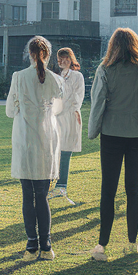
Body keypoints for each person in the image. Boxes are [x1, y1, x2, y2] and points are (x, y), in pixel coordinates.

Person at [86, 27, 138, 261]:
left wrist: (93, 131)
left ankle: (101, 245)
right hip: (137, 134)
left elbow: (97, 103)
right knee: (133, 189)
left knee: (108, 190)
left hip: (111, 133)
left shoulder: (105, 69)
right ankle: (132, 242)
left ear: (113, 45)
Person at [6, 36, 64, 260]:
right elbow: (57, 110)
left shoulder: (19, 77)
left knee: (27, 195)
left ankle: (32, 245)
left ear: (29, 54)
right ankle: (46, 245)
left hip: (25, 138)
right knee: (43, 195)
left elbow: (10, 111)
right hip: (47, 139)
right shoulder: (56, 79)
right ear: (48, 55)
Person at [49, 47, 85, 202]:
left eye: (65, 58)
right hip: (56, 116)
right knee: (54, 151)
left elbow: (77, 96)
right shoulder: (55, 76)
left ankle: (61, 186)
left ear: (71, 59)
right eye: (60, 59)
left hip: (70, 116)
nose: (62, 61)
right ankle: (53, 185)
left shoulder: (77, 76)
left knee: (65, 151)